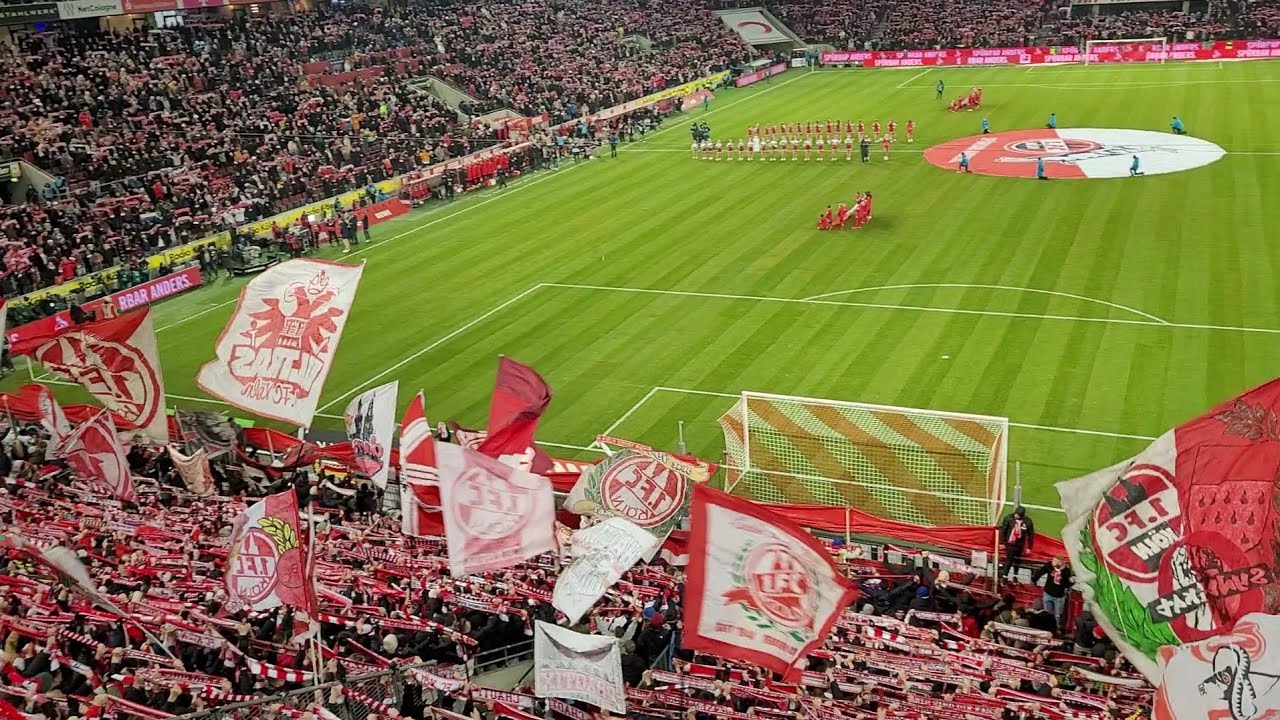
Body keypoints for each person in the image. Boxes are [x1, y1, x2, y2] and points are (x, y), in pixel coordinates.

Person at [1032, 556, 1075, 632]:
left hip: (1059, 597)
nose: (1053, 562)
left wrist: (1071, 582)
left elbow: (1066, 585)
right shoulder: (1049, 566)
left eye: (1055, 561)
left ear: (1061, 563)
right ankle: (1048, 628)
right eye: (1053, 561)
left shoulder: (1066, 571)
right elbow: (1041, 571)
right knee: (1047, 614)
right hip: (1048, 593)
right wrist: (1034, 579)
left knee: (1058, 615)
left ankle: (1057, 628)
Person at [999, 506, 1035, 581]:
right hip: (1010, 544)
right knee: (1009, 560)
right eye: (1016, 514)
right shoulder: (1009, 518)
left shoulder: (1027, 521)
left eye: (1018, 515)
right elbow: (1003, 530)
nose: (1016, 516)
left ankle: (1015, 575)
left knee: (1017, 561)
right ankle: (1004, 577)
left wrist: (1029, 547)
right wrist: (1002, 542)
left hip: (1020, 545)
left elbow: (1031, 534)